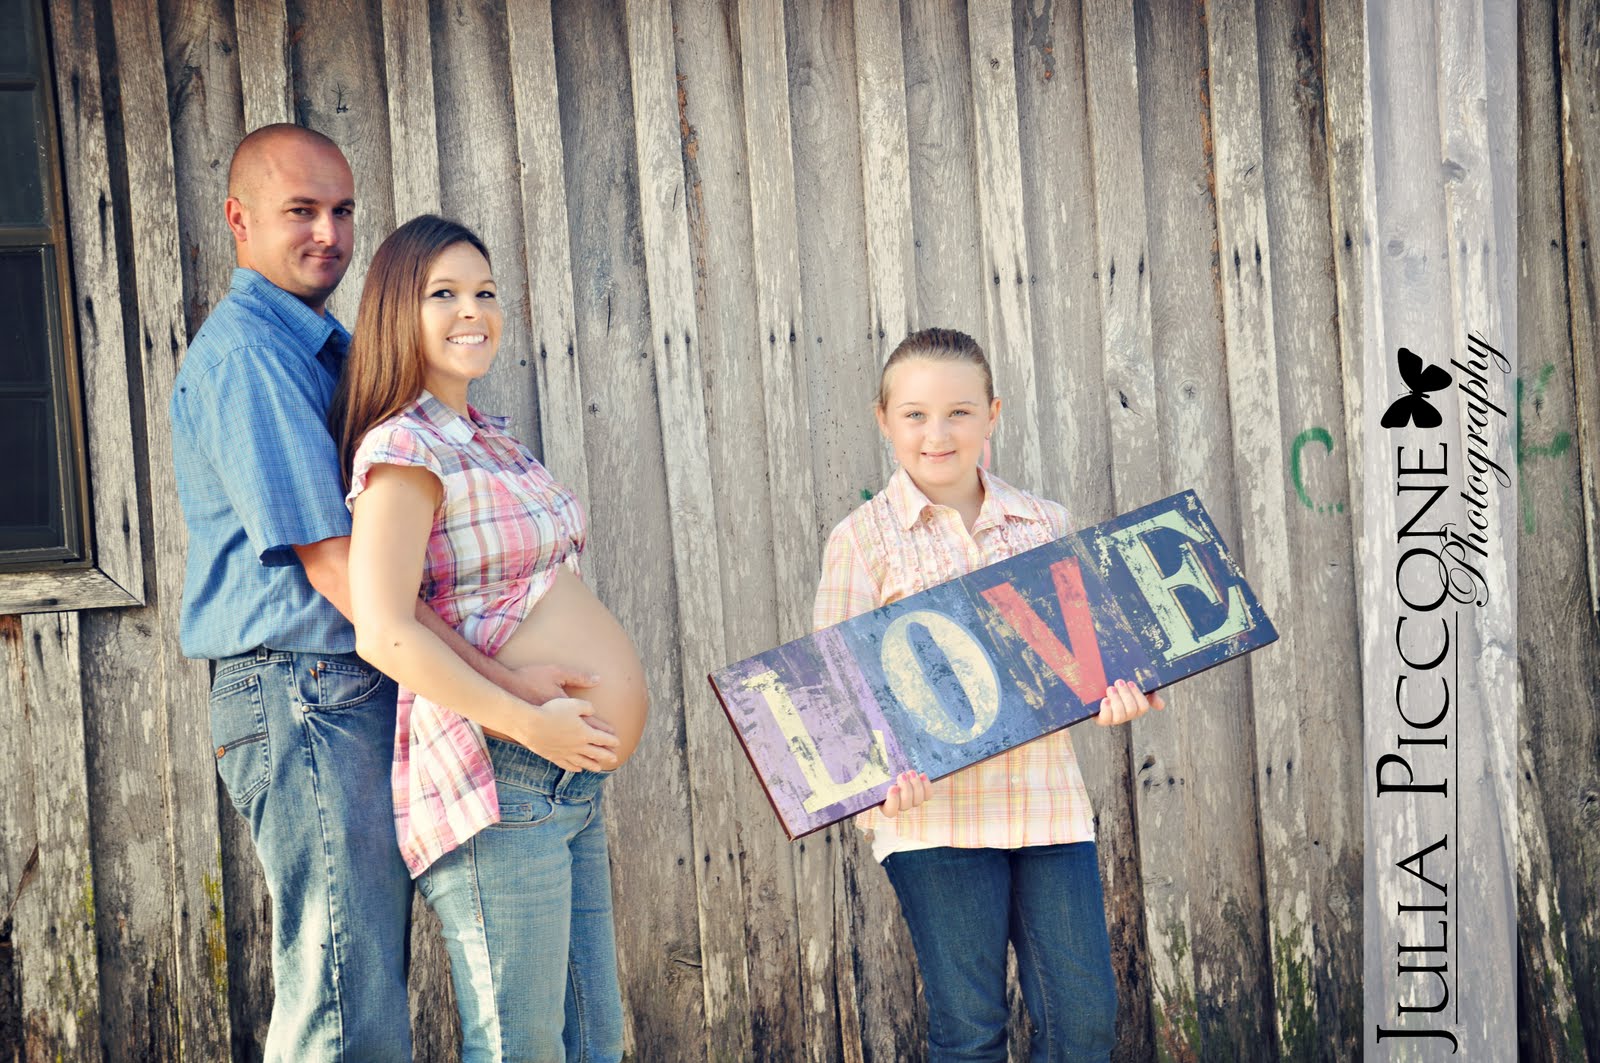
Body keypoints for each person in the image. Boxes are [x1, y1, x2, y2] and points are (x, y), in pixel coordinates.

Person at [172, 126, 593, 1061]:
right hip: (301, 690)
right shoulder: (250, 357)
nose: (328, 233)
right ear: (239, 220)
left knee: (362, 974)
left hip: (346, 689)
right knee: (342, 989)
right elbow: (339, 571)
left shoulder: (329, 349)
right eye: (301, 211)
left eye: (342, 210)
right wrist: (509, 692)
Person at [336, 215, 649, 1062]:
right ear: (398, 311)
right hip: (499, 774)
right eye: (443, 293)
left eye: (484, 291)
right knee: (522, 1047)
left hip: (566, 777)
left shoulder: (490, 438)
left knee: (594, 1039)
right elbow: (384, 630)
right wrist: (526, 720)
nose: (472, 310)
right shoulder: (403, 448)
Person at [812, 327, 1165, 1062]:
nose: (937, 434)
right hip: (933, 818)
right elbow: (839, 696)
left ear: (993, 414)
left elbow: (1084, 659)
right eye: (915, 414)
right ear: (884, 420)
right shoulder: (862, 540)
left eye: (959, 412)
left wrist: (1117, 694)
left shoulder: (1044, 523)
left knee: (1083, 1022)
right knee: (971, 1032)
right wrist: (876, 784)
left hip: (1047, 806)